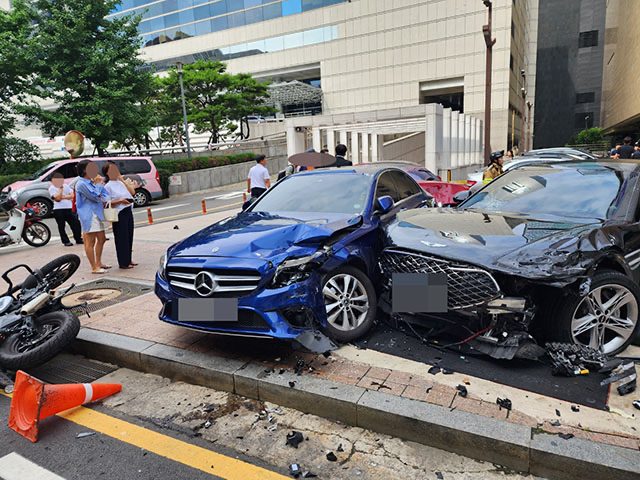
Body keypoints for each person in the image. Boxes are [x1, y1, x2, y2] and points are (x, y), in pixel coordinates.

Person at [75, 159, 110, 274]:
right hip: (89, 215)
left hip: (98, 213)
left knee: (102, 238)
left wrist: (99, 185)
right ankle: (94, 267)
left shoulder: (91, 182)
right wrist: (99, 184)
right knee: (90, 241)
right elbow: (94, 196)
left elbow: (105, 195)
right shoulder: (81, 184)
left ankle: (98, 263)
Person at [103, 161, 138, 270]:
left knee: (129, 236)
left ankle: (128, 259)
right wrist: (120, 201)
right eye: (112, 169)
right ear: (107, 172)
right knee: (121, 237)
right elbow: (106, 202)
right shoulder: (107, 186)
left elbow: (132, 193)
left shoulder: (121, 182)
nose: (115, 171)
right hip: (119, 213)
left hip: (128, 210)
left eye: (115, 168)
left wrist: (122, 180)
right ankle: (123, 262)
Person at [49, 172, 83, 247]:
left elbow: (72, 195)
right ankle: (65, 241)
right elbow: (57, 199)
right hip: (58, 209)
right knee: (61, 226)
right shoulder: (52, 188)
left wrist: (62, 197)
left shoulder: (66, 186)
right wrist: (60, 190)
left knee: (76, 223)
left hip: (69, 208)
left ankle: (78, 238)